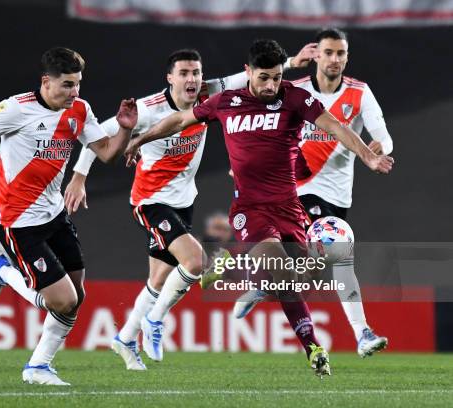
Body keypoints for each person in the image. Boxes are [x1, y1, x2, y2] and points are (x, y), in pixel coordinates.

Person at [125, 39, 394, 377]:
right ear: (248, 72)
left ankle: (239, 266)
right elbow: (179, 121)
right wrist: (140, 139)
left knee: (299, 280)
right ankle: (312, 346)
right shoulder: (226, 101)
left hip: (290, 208)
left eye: (277, 78)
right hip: (251, 209)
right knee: (276, 263)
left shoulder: (297, 98)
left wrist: (368, 155)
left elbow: (335, 127)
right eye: (264, 77)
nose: (271, 86)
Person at [64, 46, 317, 370]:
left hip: (184, 202)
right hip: (151, 201)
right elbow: (99, 133)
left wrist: (293, 62)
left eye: (196, 73)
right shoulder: (147, 108)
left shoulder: (208, 95)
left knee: (158, 280)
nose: (192, 79)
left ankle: (125, 338)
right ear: (169, 78)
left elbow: (246, 76)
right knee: (195, 261)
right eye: (183, 73)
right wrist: (80, 176)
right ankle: (154, 321)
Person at [0, 47, 137, 385]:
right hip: (18, 222)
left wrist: (124, 129)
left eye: (77, 84)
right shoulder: (15, 109)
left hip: (55, 215)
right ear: (46, 82)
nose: (74, 92)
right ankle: (4, 271)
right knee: (62, 300)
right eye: (66, 84)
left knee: (76, 297)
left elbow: (107, 153)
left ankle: (37, 367)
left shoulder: (79, 109)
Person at [234, 29, 392, 358]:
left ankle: (264, 280)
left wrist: (379, 148)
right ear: (315, 55)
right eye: (328, 52)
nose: (334, 59)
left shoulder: (359, 93)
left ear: (347, 57)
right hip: (295, 191)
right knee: (340, 255)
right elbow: (248, 104)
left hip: (337, 196)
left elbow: (383, 135)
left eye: (340, 53)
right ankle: (362, 333)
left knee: (321, 264)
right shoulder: (295, 90)